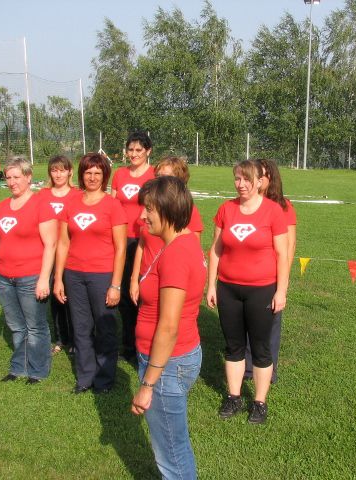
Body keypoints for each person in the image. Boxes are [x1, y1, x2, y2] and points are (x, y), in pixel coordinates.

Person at [131, 176, 206, 480]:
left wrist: (148, 385)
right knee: (175, 444)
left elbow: (168, 327)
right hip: (177, 359)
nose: (141, 215)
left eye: (148, 209)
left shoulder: (176, 254)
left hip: (165, 364)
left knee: (172, 457)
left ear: (167, 209)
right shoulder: (184, 242)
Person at [206, 159, 289, 424]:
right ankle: (234, 396)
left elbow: (282, 254)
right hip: (228, 288)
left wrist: (281, 291)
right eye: (237, 179)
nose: (240, 185)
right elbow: (216, 249)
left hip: (262, 290)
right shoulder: (226, 209)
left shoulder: (273, 212)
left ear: (258, 182)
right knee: (233, 347)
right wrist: (212, 285)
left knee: (261, 348)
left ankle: (260, 402)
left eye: (246, 180)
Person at [53, 153, 127, 394]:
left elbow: (121, 248)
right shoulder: (71, 203)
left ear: (105, 175)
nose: (92, 177)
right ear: (82, 175)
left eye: (97, 173)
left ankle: (105, 379)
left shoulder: (113, 205)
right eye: (88, 172)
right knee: (81, 327)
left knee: (104, 328)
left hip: (102, 275)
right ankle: (85, 377)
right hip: (74, 275)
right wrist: (58, 278)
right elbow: (63, 243)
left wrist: (115, 285)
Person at [0, 156, 57, 384]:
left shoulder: (41, 205)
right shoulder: (1, 207)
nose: (12, 182)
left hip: (31, 276)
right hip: (5, 277)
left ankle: (38, 370)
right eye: (8, 177)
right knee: (16, 326)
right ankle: (19, 367)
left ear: (28, 177)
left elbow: (51, 245)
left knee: (35, 326)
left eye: (17, 177)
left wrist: (44, 279)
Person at [244, 159, 297, 383]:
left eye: (261, 175)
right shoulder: (246, 204)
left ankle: (268, 369)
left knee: (269, 327)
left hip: (271, 278)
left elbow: (289, 247)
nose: (257, 178)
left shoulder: (283, 207)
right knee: (246, 323)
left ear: (270, 179)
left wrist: (281, 283)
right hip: (247, 278)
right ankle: (247, 369)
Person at [129, 156, 203, 306]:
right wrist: (134, 279)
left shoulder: (188, 211)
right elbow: (142, 245)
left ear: (179, 181)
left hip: (170, 277)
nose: (159, 180)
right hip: (146, 275)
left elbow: (192, 251)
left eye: (166, 177)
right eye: (157, 176)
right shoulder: (150, 209)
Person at [111, 131, 155, 361]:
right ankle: (128, 344)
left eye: (139, 150)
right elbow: (112, 203)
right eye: (131, 150)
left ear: (148, 151)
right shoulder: (119, 174)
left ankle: (146, 344)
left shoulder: (154, 174)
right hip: (121, 240)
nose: (134, 154)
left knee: (144, 291)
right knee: (125, 293)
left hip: (145, 241)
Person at [38, 155, 80, 356]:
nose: (58, 174)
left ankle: (75, 339)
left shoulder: (78, 195)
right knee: (55, 299)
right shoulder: (42, 195)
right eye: (54, 170)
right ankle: (60, 338)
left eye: (62, 170)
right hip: (48, 254)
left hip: (72, 254)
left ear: (70, 172)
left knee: (71, 297)